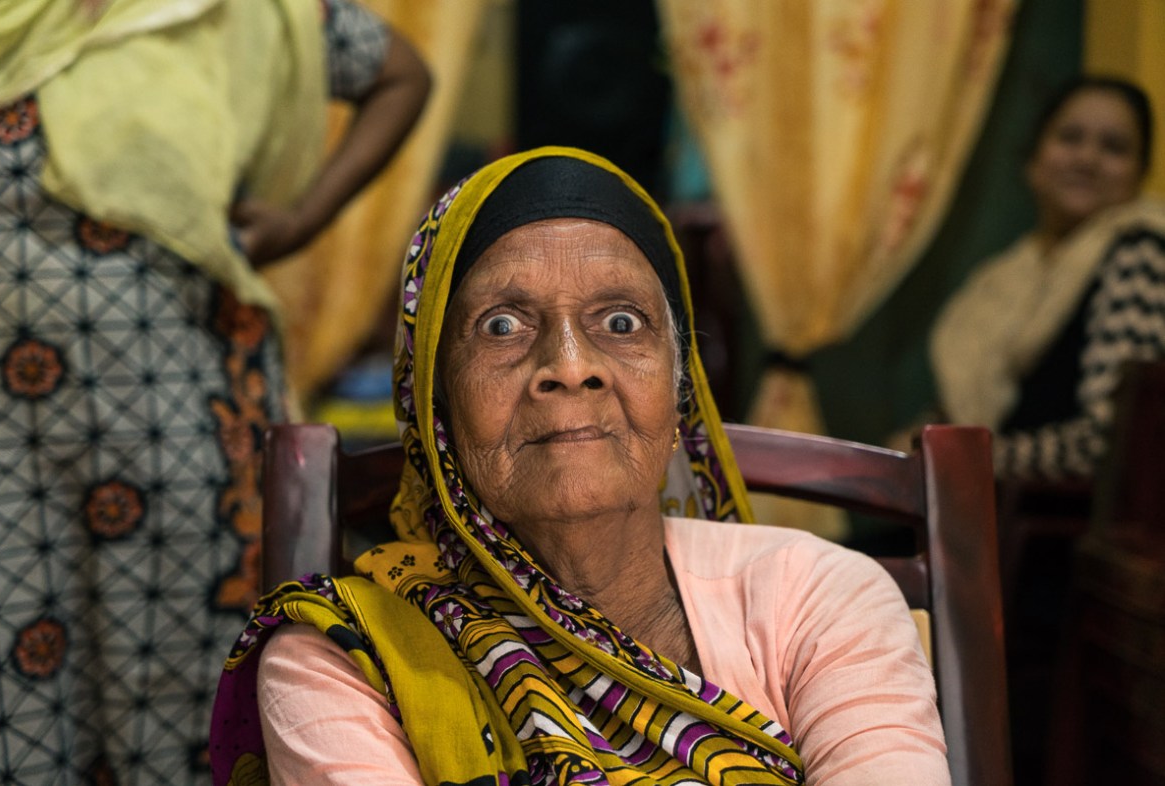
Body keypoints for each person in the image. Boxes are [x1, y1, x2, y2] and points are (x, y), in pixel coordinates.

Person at [210, 147, 950, 785]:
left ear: (679, 390)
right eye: (503, 326)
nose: (569, 367)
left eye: (620, 323)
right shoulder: (344, 655)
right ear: (433, 402)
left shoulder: (817, 597)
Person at [0, 0, 429, 782]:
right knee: (9, 685)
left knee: (173, 685)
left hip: (170, 414)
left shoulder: (232, 6)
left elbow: (403, 75)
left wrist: (300, 221)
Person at [927, 75, 1165, 480]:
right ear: (1033, 160)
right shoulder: (1002, 281)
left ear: (1138, 173)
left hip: (1060, 526)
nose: (1087, 159)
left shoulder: (1138, 251)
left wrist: (961, 461)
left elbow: (1112, 440)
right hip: (989, 505)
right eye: (1070, 137)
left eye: (1115, 148)